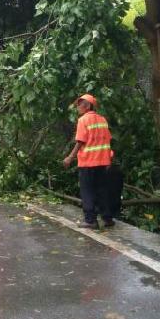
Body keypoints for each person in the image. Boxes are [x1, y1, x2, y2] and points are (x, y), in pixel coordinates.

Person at [62, 94, 114, 229]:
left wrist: (70, 157)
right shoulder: (102, 120)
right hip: (102, 162)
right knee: (102, 190)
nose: (78, 107)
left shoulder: (83, 120)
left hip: (88, 163)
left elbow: (80, 141)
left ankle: (90, 220)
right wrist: (109, 159)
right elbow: (107, 140)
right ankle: (107, 218)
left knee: (88, 191)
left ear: (88, 106)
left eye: (80, 105)